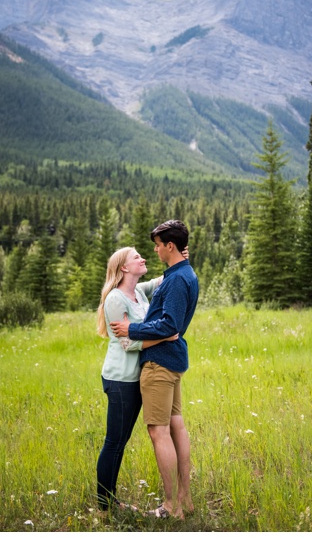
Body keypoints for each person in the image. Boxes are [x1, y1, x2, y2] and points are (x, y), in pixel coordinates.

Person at [110, 220, 199, 519]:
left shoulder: (176, 280)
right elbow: (169, 322)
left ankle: (172, 506)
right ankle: (184, 500)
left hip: (160, 363)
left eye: (158, 245)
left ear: (169, 246)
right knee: (177, 426)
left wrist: (131, 328)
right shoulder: (183, 273)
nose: (155, 250)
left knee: (158, 431)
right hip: (172, 359)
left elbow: (169, 324)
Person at [95, 247, 180, 512]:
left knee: (122, 440)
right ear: (124, 267)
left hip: (137, 377)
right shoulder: (115, 299)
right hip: (121, 380)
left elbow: (163, 280)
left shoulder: (139, 291)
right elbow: (127, 343)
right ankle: (105, 503)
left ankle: (108, 500)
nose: (143, 259)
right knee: (115, 442)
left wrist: (180, 255)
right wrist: (164, 336)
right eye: (136, 257)